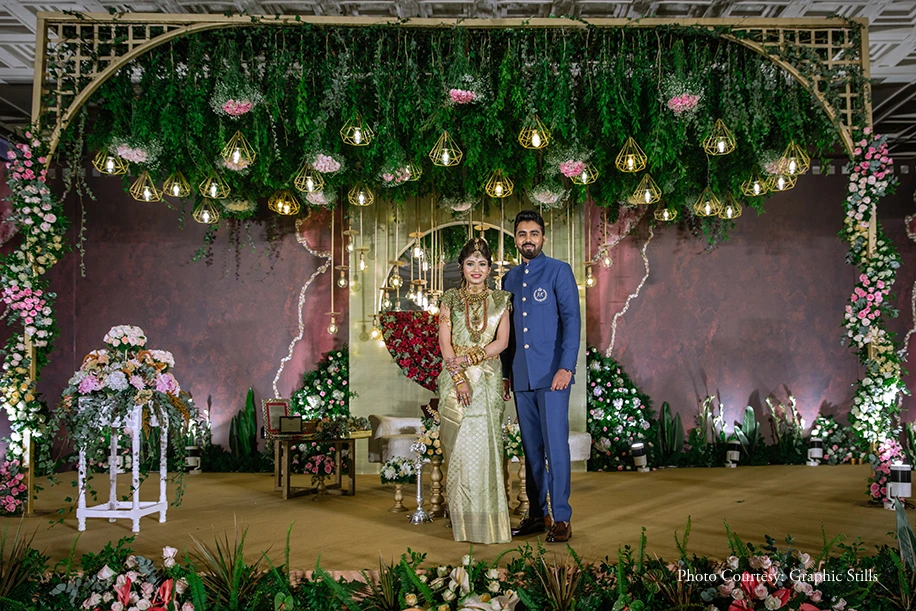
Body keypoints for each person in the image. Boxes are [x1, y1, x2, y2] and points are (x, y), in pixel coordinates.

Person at [501, 209, 580, 543]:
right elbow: (507, 332)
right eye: (522, 234)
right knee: (531, 450)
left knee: (555, 448)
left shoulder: (559, 271)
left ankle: (561, 517)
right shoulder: (508, 279)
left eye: (534, 233)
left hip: (553, 375)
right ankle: (537, 513)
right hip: (521, 376)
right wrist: (506, 374)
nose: (528, 239)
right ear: (515, 240)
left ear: (543, 238)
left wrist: (567, 367)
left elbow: (572, 320)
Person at [437, 237, 512, 544]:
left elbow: (502, 342)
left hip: (488, 379)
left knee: (486, 449)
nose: (476, 269)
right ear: (461, 267)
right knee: (459, 451)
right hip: (455, 378)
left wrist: (470, 359)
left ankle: (488, 523)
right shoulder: (450, 298)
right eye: (470, 263)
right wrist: (459, 378)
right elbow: (444, 342)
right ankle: (462, 522)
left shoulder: (502, 300)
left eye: (482, 263)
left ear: (490, 268)